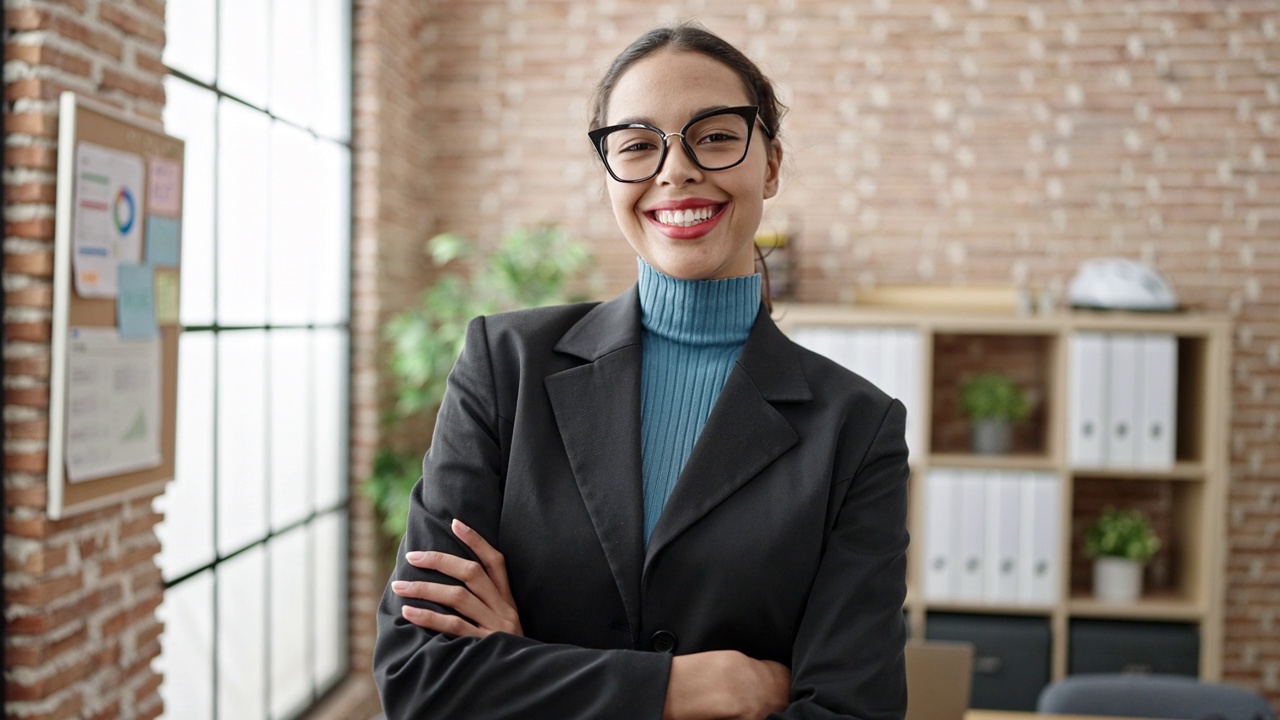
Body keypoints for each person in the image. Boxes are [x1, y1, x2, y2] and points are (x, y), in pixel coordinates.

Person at [374, 22, 910, 720]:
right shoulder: (504, 368)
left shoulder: (857, 429)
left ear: (770, 164)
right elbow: (421, 677)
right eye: (637, 144)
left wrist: (523, 662)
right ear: (608, 173)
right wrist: (707, 687)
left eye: (715, 136)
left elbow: (850, 710)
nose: (675, 169)